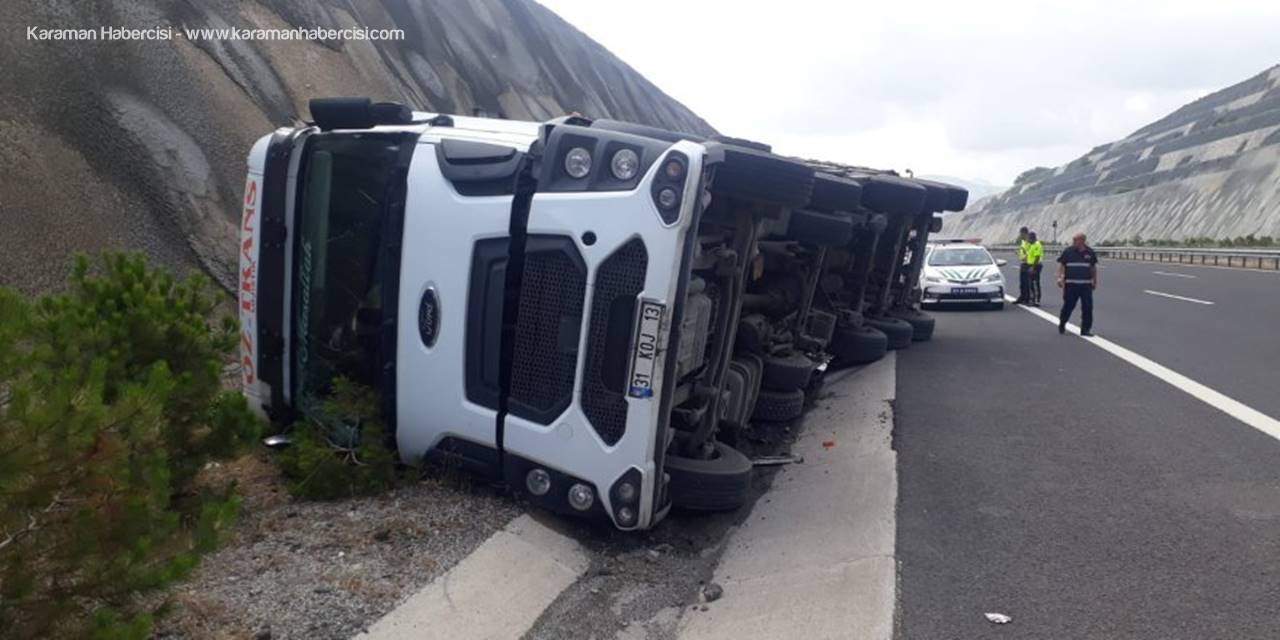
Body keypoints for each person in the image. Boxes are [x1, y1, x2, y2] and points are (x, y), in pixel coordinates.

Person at [1056, 232, 1098, 336]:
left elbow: (1093, 268)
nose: (1073, 242)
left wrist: (1095, 280)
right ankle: (1062, 323)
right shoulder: (1068, 251)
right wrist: (1059, 278)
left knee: (1087, 307)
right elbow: (1061, 265)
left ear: (1082, 241)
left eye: (1075, 240)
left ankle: (1085, 329)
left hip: (1085, 285)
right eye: (1073, 240)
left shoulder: (1090, 252)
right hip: (1071, 285)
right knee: (1068, 306)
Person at [1026, 231, 1044, 306]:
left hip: (1036, 265)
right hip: (1031, 265)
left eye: (1029, 238)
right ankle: (1033, 299)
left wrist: (1033, 267)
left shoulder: (1037, 245)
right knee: (1031, 284)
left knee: (1035, 283)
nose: (1028, 240)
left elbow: (1037, 257)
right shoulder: (1032, 245)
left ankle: (1037, 300)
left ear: (1032, 238)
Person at [1015, 227, 1031, 304]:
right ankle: (1022, 297)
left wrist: (1024, 258)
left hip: (1028, 264)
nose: (1020, 235)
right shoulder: (1023, 242)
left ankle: (1027, 298)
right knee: (1022, 283)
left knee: (1027, 283)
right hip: (1023, 263)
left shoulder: (1029, 242)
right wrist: (1019, 254)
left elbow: (1029, 254)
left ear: (1024, 233)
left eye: (1021, 233)